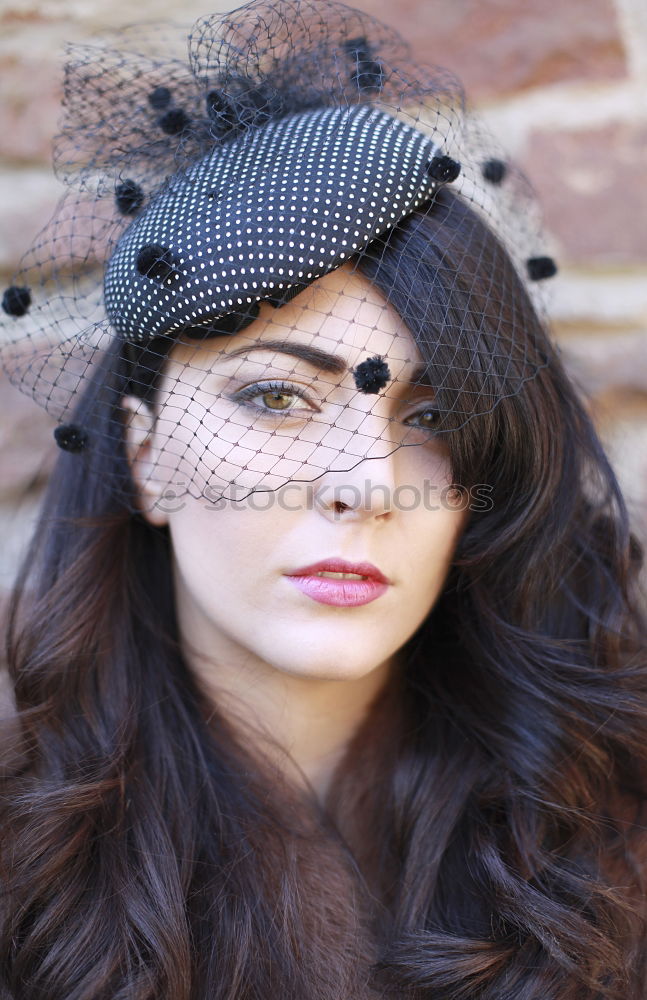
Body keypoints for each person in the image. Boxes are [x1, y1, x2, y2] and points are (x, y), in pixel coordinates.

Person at [0, 1, 645, 997]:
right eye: (272, 397)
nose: (363, 485)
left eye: (429, 417)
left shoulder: (607, 848)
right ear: (147, 457)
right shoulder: (21, 875)